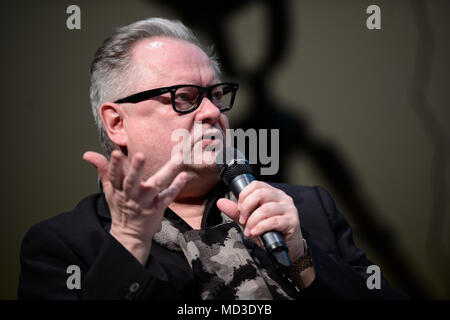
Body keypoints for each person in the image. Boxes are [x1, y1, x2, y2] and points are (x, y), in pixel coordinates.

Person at [18, 17, 407, 300]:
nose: (211, 113)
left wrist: (302, 259)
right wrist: (130, 244)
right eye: (184, 97)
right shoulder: (64, 245)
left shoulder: (306, 211)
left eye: (216, 95)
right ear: (117, 122)